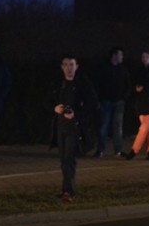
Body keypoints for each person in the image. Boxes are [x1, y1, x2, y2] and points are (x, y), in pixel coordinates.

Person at [44, 55, 99, 202]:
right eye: (66, 65)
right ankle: (66, 188)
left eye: (72, 65)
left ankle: (68, 191)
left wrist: (76, 113)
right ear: (62, 67)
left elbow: (93, 103)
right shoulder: (58, 83)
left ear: (77, 66)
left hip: (75, 128)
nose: (69, 68)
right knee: (63, 160)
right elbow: (47, 101)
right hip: (60, 127)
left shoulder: (83, 83)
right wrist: (55, 108)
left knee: (69, 158)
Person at [94, 46, 131, 158]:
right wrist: (100, 99)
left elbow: (128, 85)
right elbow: (98, 84)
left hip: (119, 102)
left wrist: (123, 98)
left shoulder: (123, 69)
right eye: (120, 55)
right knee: (103, 126)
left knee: (118, 127)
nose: (122, 57)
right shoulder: (104, 68)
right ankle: (100, 150)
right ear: (114, 55)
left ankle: (118, 150)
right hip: (106, 102)